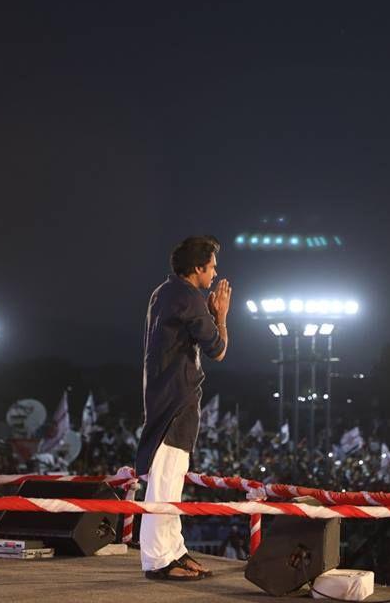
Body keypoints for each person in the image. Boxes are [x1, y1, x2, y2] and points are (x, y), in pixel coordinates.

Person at [136, 236, 231, 582]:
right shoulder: (189, 298)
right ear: (197, 268)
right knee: (164, 483)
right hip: (174, 401)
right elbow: (218, 349)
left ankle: (174, 550)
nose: (216, 272)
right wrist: (219, 315)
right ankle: (158, 560)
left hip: (169, 397)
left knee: (171, 481)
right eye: (212, 266)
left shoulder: (166, 291)